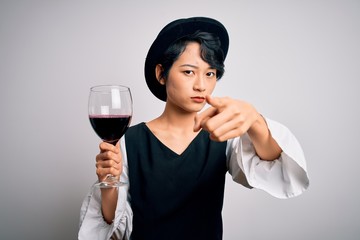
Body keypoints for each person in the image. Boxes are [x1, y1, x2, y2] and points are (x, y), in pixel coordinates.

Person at [78, 17, 309, 240]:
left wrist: (255, 120)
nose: (201, 85)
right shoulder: (129, 141)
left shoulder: (221, 134)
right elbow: (113, 229)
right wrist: (109, 181)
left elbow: (278, 169)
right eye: (189, 71)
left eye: (210, 74)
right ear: (161, 74)